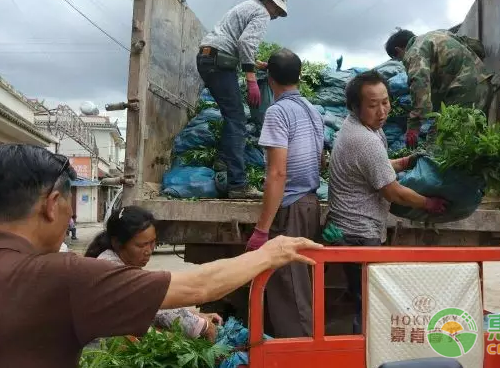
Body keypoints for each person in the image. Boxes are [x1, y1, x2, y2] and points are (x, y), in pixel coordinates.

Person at [0, 144, 322, 368]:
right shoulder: (62, 275)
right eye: (70, 206)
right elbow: (200, 286)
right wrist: (271, 251)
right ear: (52, 204)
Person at [325, 70, 447, 334]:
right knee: (368, 304)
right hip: (359, 234)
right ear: (356, 107)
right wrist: (429, 204)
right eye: (372, 105)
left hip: (354, 230)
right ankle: (363, 352)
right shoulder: (364, 139)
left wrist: (402, 162)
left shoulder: (362, 128)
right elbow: (393, 192)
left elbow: (373, 167)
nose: (382, 111)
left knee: (363, 297)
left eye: (385, 102)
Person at [244, 49, 324, 338]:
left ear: (269, 78)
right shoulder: (312, 110)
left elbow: (277, 172)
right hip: (310, 203)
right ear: (299, 76)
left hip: (291, 206)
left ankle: (302, 356)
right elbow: (321, 160)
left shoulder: (277, 112)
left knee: (290, 291)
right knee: (300, 287)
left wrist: (262, 229)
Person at [196, 0, 289, 199]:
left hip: (208, 59)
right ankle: (238, 184)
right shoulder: (262, 12)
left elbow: (235, 43)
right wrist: (251, 79)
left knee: (232, 116)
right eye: (277, 10)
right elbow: (246, 42)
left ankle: (223, 161)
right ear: (270, 2)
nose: (275, 16)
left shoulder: (247, 6)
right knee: (237, 119)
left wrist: (254, 63)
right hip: (218, 62)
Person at [85, 206, 223, 341]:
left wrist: (197, 316)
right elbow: (151, 300)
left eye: (152, 243)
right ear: (117, 243)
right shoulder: (111, 268)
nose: (149, 250)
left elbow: (151, 306)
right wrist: (203, 326)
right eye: (141, 245)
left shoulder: (115, 261)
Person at [385, 28, 494, 148]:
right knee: (472, 140)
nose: (402, 61)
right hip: (483, 84)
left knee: (439, 140)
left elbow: (420, 88)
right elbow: (477, 47)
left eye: (399, 58)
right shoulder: (439, 34)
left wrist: (413, 127)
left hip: (465, 93)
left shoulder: (414, 52)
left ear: (398, 50)